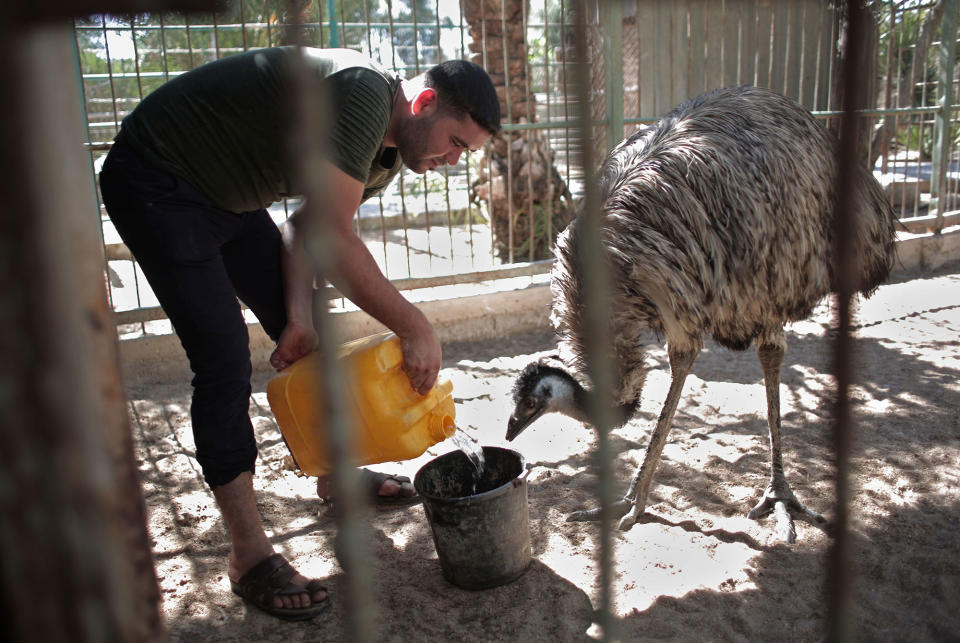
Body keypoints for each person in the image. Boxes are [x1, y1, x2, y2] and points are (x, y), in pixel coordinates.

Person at [98, 46, 500, 621]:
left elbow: (306, 229)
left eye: (468, 153)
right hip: (158, 178)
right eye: (457, 143)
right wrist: (414, 326)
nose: (455, 160)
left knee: (316, 335)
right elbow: (335, 241)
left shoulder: (386, 157)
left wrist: (300, 319)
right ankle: (249, 557)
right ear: (426, 101)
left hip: (227, 196)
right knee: (223, 362)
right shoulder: (365, 94)